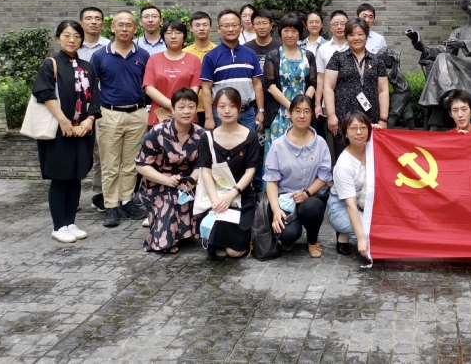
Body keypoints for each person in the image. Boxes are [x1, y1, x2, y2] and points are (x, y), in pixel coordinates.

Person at [34, 20, 101, 243]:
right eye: (67, 35)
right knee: (60, 177)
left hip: (82, 132)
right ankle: (58, 226)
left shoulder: (87, 66)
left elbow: (95, 96)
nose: (72, 40)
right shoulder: (51, 64)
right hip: (59, 132)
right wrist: (64, 121)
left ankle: (70, 222)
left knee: (76, 177)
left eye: (77, 36)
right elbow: (44, 94)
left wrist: (90, 120)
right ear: (58, 38)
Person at [407, 0, 471, 128]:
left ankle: (443, 107)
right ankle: (450, 93)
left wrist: (463, 44)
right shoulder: (458, 32)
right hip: (455, 72)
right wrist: (420, 46)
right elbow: (444, 50)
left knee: (442, 62)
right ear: (466, 8)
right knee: (442, 56)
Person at [91, 10, 149, 227]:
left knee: (131, 163)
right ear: (112, 27)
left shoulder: (143, 55)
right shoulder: (100, 55)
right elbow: (92, 87)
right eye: (120, 24)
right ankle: (111, 206)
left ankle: (126, 201)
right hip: (109, 114)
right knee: (110, 163)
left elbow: (147, 84)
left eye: (129, 25)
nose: (124, 29)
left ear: (135, 29)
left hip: (137, 114)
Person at [135, 88, 205, 253]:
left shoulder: (201, 134)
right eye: (181, 107)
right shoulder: (158, 132)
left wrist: (191, 180)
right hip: (157, 182)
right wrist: (166, 180)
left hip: (188, 181)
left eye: (191, 107)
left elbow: (201, 164)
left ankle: (184, 234)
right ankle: (166, 239)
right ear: (172, 110)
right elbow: (141, 165)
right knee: (171, 198)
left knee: (196, 195)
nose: (186, 111)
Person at [264, 94, 333, 258]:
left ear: (312, 114)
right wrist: (275, 209)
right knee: (288, 235)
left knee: (312, 207)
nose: (302, 115)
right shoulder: (278, 145)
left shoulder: (320, 143)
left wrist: (306, 193)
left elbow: (323, 176)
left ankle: (312, 240)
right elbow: (272, 181)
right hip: (285, 200)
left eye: (306, 111)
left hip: (310, 197)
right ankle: (290, 234)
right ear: (290, 114)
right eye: (297, 111)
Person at [197, 88, 260, 259]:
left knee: (234, 252)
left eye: (232, 106)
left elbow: (250, 171)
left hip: (241, 196)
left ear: (239, 108)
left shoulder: (250, 136)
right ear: (215, 108)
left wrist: (231, 195)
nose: (227, 111)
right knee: (217, 252)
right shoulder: (207, 138)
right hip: (217, 196)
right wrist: (216, 201)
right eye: (222, 106)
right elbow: (206, 172)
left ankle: (246, 239)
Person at [324, 18, 389, 158]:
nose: (356, 38)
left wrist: (383, 119)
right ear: (346, 37)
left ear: (366, 36)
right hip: (343, 119)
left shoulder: (377, 61)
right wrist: (331, 115)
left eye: (360, 34)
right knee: (344, 158)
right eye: (352, 34)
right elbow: (328, 87)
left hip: (370, 120)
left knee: (369, 161)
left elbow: (383, 91)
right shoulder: (338, 58)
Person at [263, 14, 317, 167]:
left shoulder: (308, 55)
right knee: (279, 153)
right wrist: (292, 108)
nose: (290, 35)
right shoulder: (273, 56)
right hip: (279, 111)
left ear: (300, 33)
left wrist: (302, 107)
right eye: (286, 30)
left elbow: (313, 83)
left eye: (294, 31)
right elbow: (271, 86)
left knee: (304, 150)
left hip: (303, 111)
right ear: (280, 32)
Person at [200, 9, 265, 133]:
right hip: (221, 115)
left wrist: (260, 111)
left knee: (248, 144)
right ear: (219, 29)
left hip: (248, 113)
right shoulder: (211, 56)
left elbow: (257, 84)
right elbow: (206, 89)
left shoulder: (250, 54)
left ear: (240, 27)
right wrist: (209, 117)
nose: (231, 29)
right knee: (222, 144)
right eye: (226, 26)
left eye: (234, 25)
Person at [77, 6, 110, 213]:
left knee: (100, 152)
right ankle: (70, 195)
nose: (93, 22)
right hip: (75, 107)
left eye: (97, 19)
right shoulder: (74, 46)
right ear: (81, 23)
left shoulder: (109, 47)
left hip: (102, 106)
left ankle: (99, 194)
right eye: (89, 18)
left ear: (103, 24)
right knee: (75, 152)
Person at [327, 110, 371, 258]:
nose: (359, 132)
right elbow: (350, 205)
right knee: (370, 236)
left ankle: (348, 231)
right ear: (345, 133)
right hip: (342, 207)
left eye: (363, 128)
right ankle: (344, 231)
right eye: (353, 128)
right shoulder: (344, 165)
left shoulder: (372, 147)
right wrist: (361, 239)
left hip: (366, 202)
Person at [142, 20, 201, 126]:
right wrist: (174, 106)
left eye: (178, 33)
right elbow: (149, 88)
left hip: (186, 115)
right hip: (158, 117)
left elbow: (194, 89)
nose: (173, 36)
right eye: (169, 33)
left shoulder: (194, 60)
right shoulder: (154, 59)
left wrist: (180, 108)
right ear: (163, 36)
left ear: (184, 36)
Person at [314, 10, 349, 140]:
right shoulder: (323, 49)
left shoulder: (354, 46)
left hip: (351, 100)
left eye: (343, 24)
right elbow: (320, 77)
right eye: (336, 24)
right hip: (328, 103)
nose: (339, 27)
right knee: (332, 140)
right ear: (330, 27)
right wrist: (318, 103)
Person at [183, 11, 217, 125]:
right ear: (191, 28)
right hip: (191, 107)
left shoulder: (218, 51)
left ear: (210, 27)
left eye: (205, 25)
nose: (201, 28)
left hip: (216, 106)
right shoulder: (184, 53)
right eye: (197, 25)